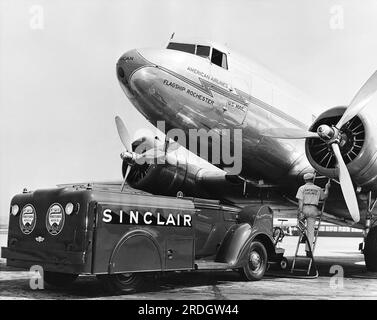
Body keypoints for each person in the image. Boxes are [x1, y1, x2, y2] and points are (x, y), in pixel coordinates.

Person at [296, 172, 331, 257]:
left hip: (304, 208)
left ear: (305, 180)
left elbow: (300, 201)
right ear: (313, 179)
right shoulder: (318, 188)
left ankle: (302, 235)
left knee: (299, 223)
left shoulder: (302, 188)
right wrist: (327, 188)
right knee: (311, 231)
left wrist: (300, 212)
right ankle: (308, 250)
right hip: (313, 209)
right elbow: (324, 197)